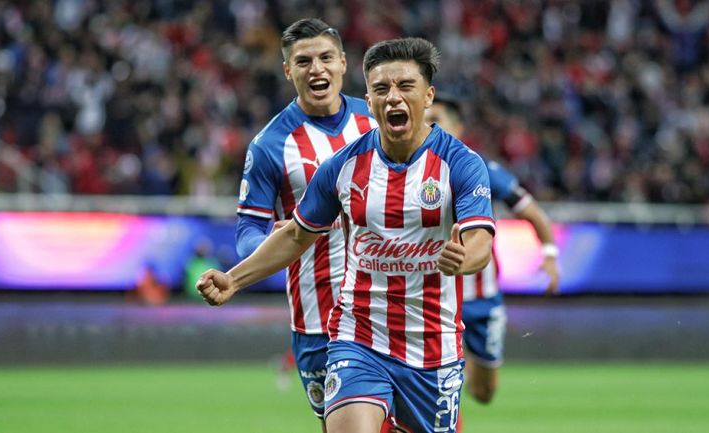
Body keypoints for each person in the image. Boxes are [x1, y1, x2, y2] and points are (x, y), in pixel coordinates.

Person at [198, 37, 495, 433]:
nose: (393, 98)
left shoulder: (461, 163)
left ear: (428, 96)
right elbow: (295, 236)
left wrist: (466, 259)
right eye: (380, 89)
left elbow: (480, 240)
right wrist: (233, 278)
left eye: (405, 87)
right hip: (358, 338)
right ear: (368, 101)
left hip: (432, 348)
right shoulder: (343, 166)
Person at [233, 18, 376, 432]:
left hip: (387, 309)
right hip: (318, 320)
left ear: (344, 63)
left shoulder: (377, 123)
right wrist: (267, 241)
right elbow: (247, 232)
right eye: (304, 61)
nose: (317, 69)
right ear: (287, 70)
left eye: (326, 58)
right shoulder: (269, 146)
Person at [425, 95, 560, 407]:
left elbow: (533, 213)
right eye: (425, 120)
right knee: (438, 390)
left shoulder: (481, 169)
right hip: (435, 298)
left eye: (437, 120)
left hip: (483, 300)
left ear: (458, 128)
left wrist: (550, 255)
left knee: (484, 393)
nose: (429, 127)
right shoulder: (407, 169)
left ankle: (468, 366)